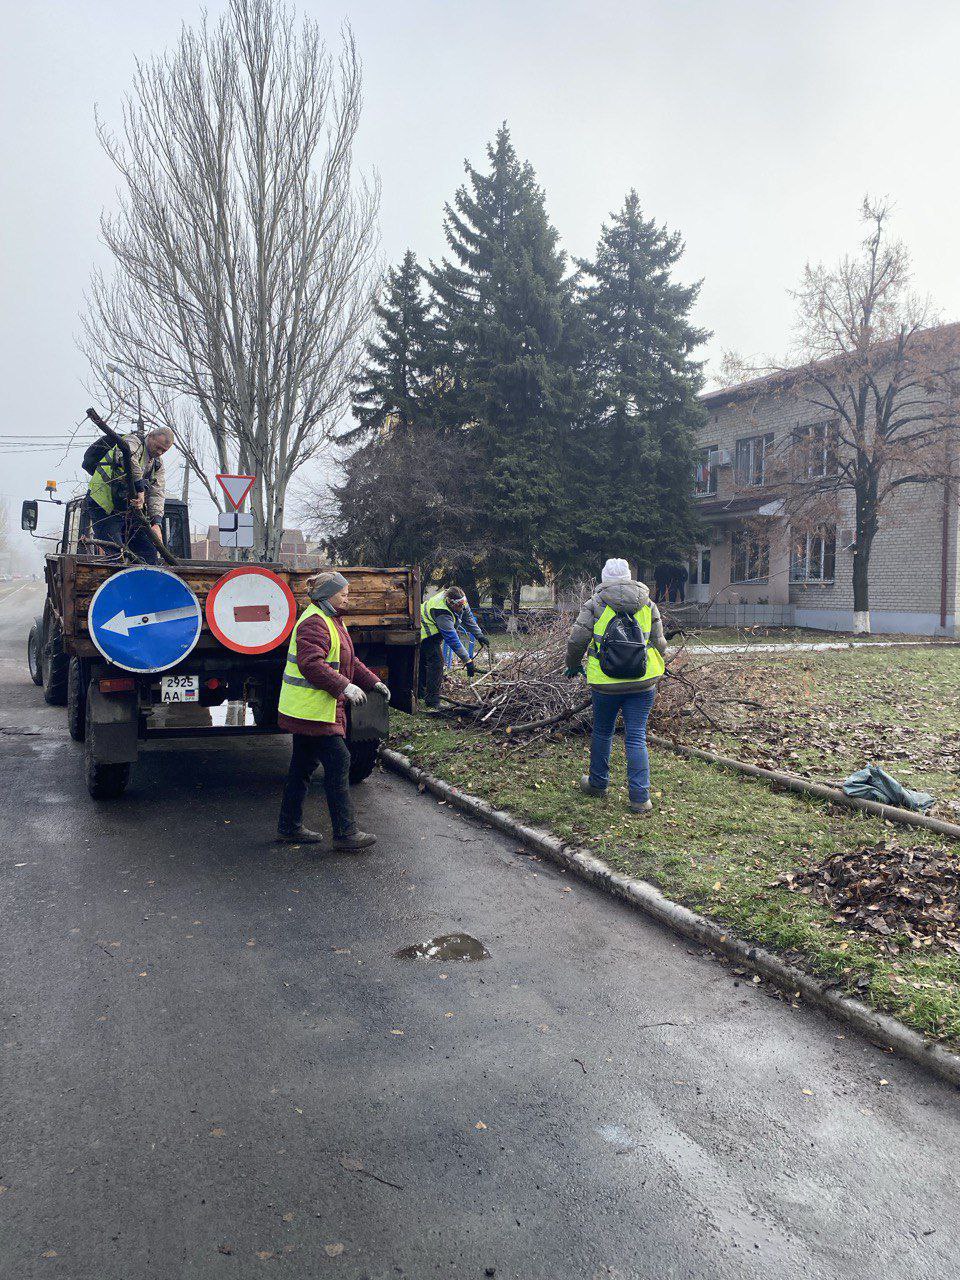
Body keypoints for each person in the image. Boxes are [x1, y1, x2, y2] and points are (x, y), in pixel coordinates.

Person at [276, 571, 391, 849]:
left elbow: (350, 660)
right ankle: (345, 833)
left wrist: (373, 682)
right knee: (339, 761)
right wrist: (344, 687)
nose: (347, 596)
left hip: (311, 709)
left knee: (302, 766)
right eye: (343, 593)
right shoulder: (315, 623)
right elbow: (311, 664)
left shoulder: (331, 620)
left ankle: (289, 827)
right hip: (313, 710)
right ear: (328, 595)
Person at [564, 557, 668, 815]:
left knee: (602, 732)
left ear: (604, 579)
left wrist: (574, 664)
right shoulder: (648, 603)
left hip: (605, 683)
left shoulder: (595, 604)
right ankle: (640, 798)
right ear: (629, 577)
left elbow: (576, 640)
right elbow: (660, 643)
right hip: (643, 683)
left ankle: (598, 783)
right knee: (636, 736)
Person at [84, 427, 174, 564]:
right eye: (158, 447)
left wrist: (156, 522)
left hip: (127, 510)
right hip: (103, 504)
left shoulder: (157, 465)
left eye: (164, 451)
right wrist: (140, 489)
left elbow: (157, 493)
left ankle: (146, 581)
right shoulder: (132, 442)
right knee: (114, 551)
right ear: (150, 436)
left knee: (148, 553)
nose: (160, 452)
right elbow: (128, 459)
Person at [418, 587, 490, 709]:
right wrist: (467, 660)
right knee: (436, 662)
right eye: (459, 606)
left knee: (425, 662)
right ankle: (432, 700)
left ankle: (420, 693)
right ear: (451, 604)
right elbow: (452, 639)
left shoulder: (460, 602)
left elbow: (468, 618)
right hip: (425, 631)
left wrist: (479, 635)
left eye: (463, 604)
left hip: (435, 629)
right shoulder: (442, 612)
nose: (462, 608)